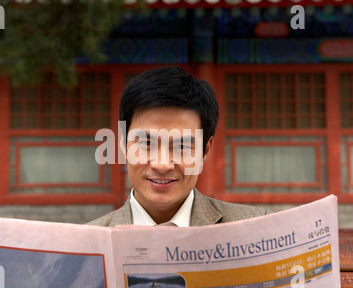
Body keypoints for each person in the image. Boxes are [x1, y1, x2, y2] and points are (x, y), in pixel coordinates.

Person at [87, 67, 269, 227]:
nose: (162, 165)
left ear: (205, 150)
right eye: (146, 143)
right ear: (123, 144)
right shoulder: (87, 243)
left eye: (181, 146)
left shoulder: (256, 227)